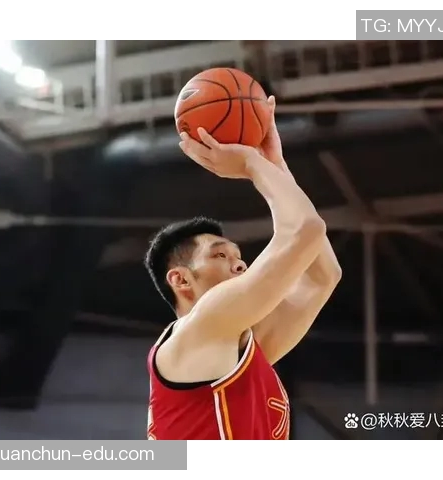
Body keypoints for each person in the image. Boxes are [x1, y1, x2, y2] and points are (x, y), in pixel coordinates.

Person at [144, 96, 342, 440]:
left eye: (238, 255)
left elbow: (321, 276)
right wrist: (251, 164)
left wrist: (274, 165)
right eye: (220, 255)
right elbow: (306, 230)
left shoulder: (239, 346)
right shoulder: (201, 327)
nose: (239, 263)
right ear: (181, 279)